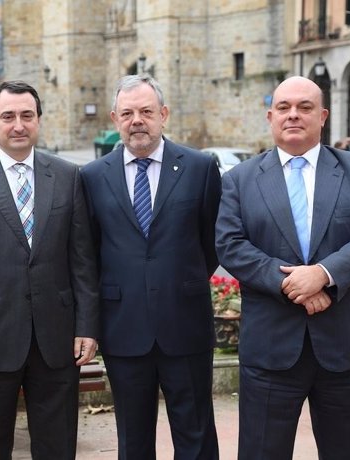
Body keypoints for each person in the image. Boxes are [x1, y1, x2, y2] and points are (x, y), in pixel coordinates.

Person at [0, 80, 99, 460]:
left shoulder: (67, 176)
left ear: (39, 121)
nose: (18, 125)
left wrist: (87, 327)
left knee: (58, 446)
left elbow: (82, 260)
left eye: (27, 116)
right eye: (8, 116)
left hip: (57, 340)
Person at [216, 76, 350, 459]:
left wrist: (324, 275)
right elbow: (230, 245)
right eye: (284, 108)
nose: (293, 115)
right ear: (270, 116)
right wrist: (293, 284)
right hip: (271, 351)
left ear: (323, 116)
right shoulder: (239, 179)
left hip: (344, 348)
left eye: (304, 107)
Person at [80, 74, 221, 459]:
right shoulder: (92, 177)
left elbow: (211, 244)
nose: (136, 120)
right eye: (127, 113)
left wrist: (178, 282)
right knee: (133, 437)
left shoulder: (199, 167)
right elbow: (88, 253)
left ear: (164, 114)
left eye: (145, 111)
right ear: (114, 119)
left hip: (185, 323)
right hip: (124, 328)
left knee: (196, 435)